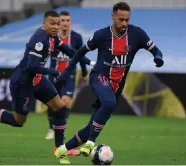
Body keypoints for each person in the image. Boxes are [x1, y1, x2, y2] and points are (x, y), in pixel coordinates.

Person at [0, 10, 92, 164]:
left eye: (57, 24)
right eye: (52, 23)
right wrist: (52, 71)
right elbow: (32, 66)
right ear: (43, 23)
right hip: (22, 83)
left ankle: (59, 149)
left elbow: (69, 50)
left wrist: (90, 62)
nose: (56, 26)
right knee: (19, 121)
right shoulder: (40, 39)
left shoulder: (52, 37)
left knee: (60, 108)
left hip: (38, 80)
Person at [54, 2, 164, 164]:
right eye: (121, 20)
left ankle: (62, 150)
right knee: (109, 102)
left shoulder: (137, 34)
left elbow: (155, 49)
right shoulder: (101, 35)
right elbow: (80, 52)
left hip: (117, 86)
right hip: (99, 77)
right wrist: (67, 72)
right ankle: (91, 143)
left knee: (90, 126)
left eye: (127, 20)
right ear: (113, 17)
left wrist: (158, 57)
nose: (124, 23)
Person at [45, 10, 88, 142]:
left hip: (69, 76)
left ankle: (60, 129)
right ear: (58, 22)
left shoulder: (76, 37)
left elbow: (80, 55)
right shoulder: (51, 36)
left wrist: (85, 73)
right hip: (53, 75)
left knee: (65, 101)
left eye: (67, 20)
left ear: (70, 22)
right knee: (52, 104)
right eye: (62, 20)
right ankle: (51, 128)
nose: (65, 23)